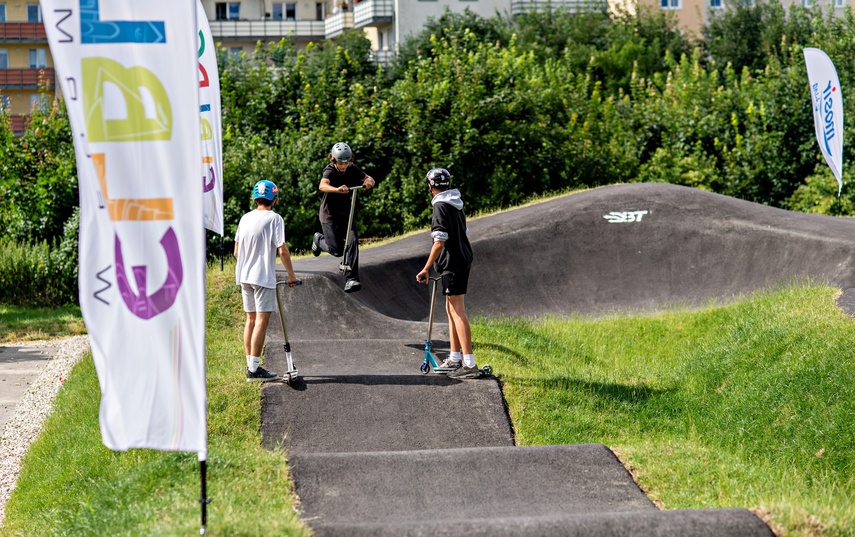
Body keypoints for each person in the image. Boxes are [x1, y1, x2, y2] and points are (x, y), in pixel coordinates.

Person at [415, 168, 480, 379]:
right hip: (461, 259)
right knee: (451, 310)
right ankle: (454, 357)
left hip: (453, 263)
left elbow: (439, 241)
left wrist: (425, 268)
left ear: (430, 186)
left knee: (458, 311)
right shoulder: (455, 204)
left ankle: (469, 364)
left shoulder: (440, 206)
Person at [234, 180, 300, 382]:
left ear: (255, 198)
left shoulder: (245, 218)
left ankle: (250, 365)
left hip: (244, 276)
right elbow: (282, 250)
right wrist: (292, 276)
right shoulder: (275, 219)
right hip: (262, 277)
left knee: (250, 320)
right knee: (262, 321)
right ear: (275, 199)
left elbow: (236, 252)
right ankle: (254, 371)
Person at [311, 142, 376, 293]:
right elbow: (322, 185)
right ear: (334, 160)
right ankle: (318, 240)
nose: (343, 166)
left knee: (352, 241)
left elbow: (368, 178)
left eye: (346, 162)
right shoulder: (330, 170)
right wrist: (337, 190)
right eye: (340, 163)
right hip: (329, 215)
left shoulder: (352, 168)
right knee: (337, 251)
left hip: (347, 213)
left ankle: (352, 278)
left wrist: (368, 183)